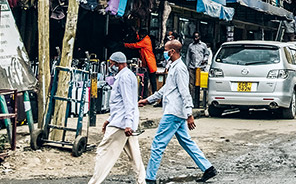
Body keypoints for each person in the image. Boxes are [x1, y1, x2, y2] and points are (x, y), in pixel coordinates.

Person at [139, 40, 216, 184]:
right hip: (176, 112)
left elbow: (184, 92)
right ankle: (208, 168)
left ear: (172, 51)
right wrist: (148, 100)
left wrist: (189, 114)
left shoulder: (180, 68)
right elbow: (166, 89)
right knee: (186, 142)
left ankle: (150, 178)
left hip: (173, 112)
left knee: (158, 144)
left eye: (165, 50)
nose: (164, 52)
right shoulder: (174, 66)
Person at [87, 52, 144, 184]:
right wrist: (110, 119)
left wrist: (128, 124)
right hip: (123, 121)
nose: (110, 66)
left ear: (118, 64)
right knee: (135, 156)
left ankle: (94, 182)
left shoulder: (124, 78)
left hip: (121, 123)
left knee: (104, 151)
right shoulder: (128, 75)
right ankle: (142, 181)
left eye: (112, 64)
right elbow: (121, 103)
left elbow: (128, 102)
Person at [124, 29, 158, 94]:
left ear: (142, 35)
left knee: (151, 80)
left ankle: (153, 94)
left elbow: (136, 45)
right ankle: (146, 94)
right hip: (147, 62)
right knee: (146, 79)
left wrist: (125, 45)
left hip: (149, 63)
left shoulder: (145, 40)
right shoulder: (145, 39)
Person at [186, 32, 212, 102]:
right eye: (194, 37)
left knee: (201, 85)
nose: (196, 38)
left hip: (201, 67)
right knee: (191, 84)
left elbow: (207, 54)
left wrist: (204, 60)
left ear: (199, 37)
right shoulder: (190, 46)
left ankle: (201, 99)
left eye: (197, 37)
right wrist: (187, 66)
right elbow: (188, 57)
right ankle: (192, 99)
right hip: (192, 67)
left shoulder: (203, 45)